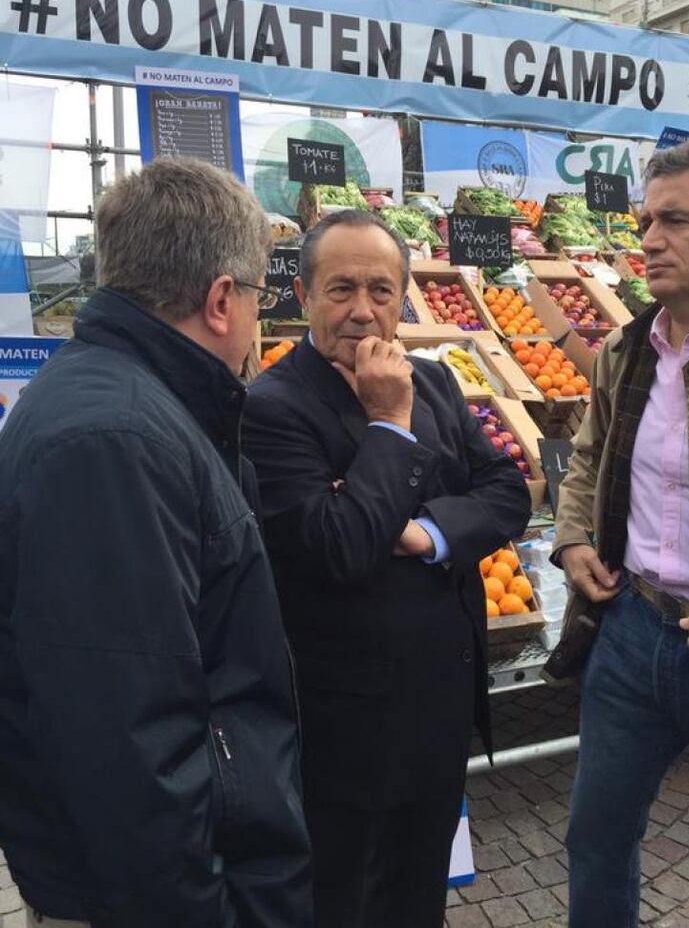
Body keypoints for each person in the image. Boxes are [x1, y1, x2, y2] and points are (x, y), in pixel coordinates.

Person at [0, 159, 312, 927]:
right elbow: (128, 750)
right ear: (218, 300)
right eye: (256, 295)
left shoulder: (126, 405)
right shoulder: (117, 441)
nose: (254, 319)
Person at [242, 209, 531, 928]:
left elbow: (505, 490)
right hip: (341, 726)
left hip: (436, 709)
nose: (362, 310)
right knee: (340, 898)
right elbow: (337, 545)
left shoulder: (433, 380)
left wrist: (424, 532)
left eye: (380, 288)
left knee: (414, 897)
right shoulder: (271, 408)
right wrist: (388, 424)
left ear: (403, 295)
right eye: (340, 289)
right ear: (304, 295)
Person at [553, 139, 689, 927]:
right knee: (595, 841)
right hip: (633, 634)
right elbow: (587, 453)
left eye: (675, 220)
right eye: (646, 220)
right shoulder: (626, 348)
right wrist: (574, 536)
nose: (648, 239)